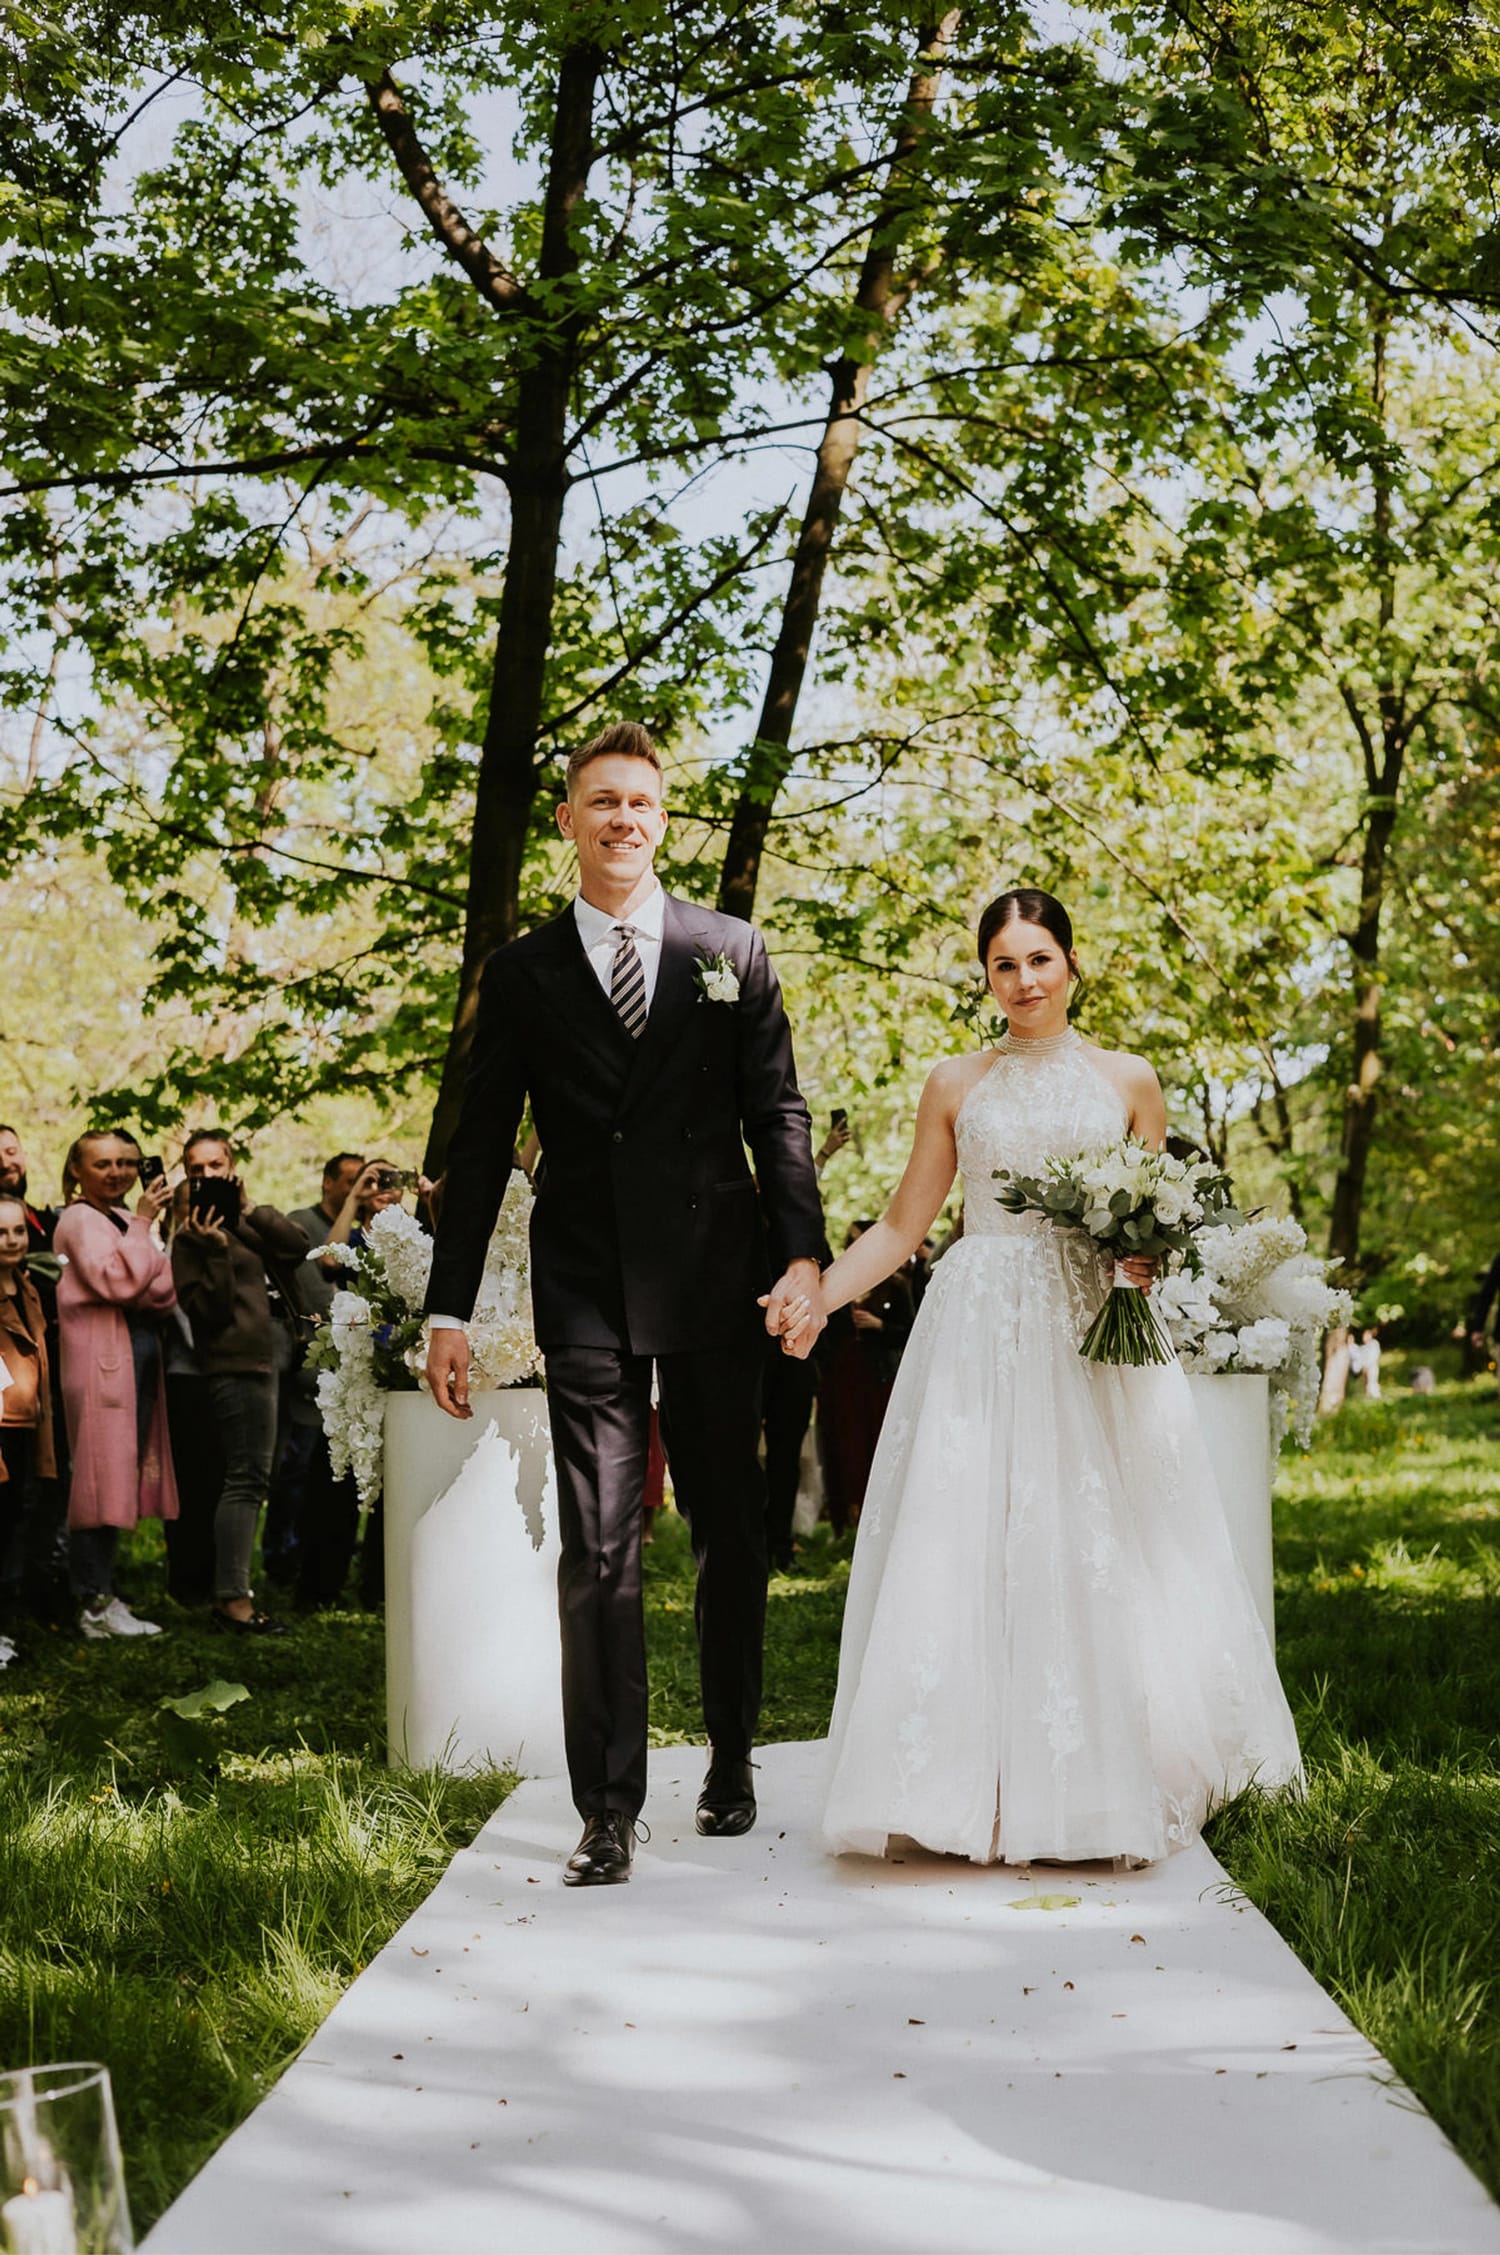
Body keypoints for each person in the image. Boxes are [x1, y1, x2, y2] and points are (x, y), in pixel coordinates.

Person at [796, 887, 1301, 1867]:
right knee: (968, 1535)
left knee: (1099, 1535)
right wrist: (818, 1297)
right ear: (985, 977)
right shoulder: (955, 1081)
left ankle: (1096, 1780)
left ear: (1072, 964)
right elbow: (901, 1226)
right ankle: (964, 1786)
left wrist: (1142, 1258)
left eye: (1040, 959)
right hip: (980, 1327)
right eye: (1004, 964)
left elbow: (1154, 1216)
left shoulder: (1130, 1078)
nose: (1024, 980)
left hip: (1089, 1326)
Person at [425, 719, 825, 1888]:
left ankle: (732, 1754)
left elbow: (777, 1113)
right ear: (567, 819)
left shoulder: (730, 949)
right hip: (587, 1281)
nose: (623, 819)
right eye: (601, 800)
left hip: (717, 1275)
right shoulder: (523, 971)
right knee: (599, 1548)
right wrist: (448, 1310)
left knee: (729, 1527)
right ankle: (606, 1807)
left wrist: (802, 1258)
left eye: (641, 802)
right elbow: (480, 1143)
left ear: (663, 818)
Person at [168, 1130, 310, 1634]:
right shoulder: (190, 1238)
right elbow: (208, 1312)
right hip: (236, 1364)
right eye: (196, 1169)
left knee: (258, 1478)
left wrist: (248, 1208)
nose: (207, 1175)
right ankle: (232, 1600)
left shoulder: (247, 1221)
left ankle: (234, 1589)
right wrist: (214, 1251)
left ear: (231, 1166)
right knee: (245, 1477)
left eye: (215, 1165)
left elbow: (298, 1248)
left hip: (277, 1359)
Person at [54, 1129, 176, 1637]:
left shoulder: (123, 1219)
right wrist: (143, 1232)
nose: (118, 1172)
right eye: (103, 1163)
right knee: (98, 1478)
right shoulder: (80, 1219)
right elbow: (121, 1281)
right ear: (77, 1170)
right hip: (99, 1359)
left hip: (136, 1350)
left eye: (126, 1162)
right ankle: (93, 1601)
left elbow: (163, 1289)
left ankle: (103, 1591)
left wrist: (136, 1263)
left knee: (117, 1474)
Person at [274, 1153, 365, 1608]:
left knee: (337, 1484)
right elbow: (319, 1287)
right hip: (314, 1371)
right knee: (299, 1477)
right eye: (351, 1181)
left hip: (357, 1375)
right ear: (327, 1182)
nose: (360, 1189)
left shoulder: (368, 1232)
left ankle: (329, 1570)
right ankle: (283, 1560)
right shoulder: (302, 1224)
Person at [0, 1193, 56, 1664]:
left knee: (10, 1521)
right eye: (0, 1233)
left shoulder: (27, 1286)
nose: (11, 1240)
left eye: (18, 1231)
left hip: (23, 1420)